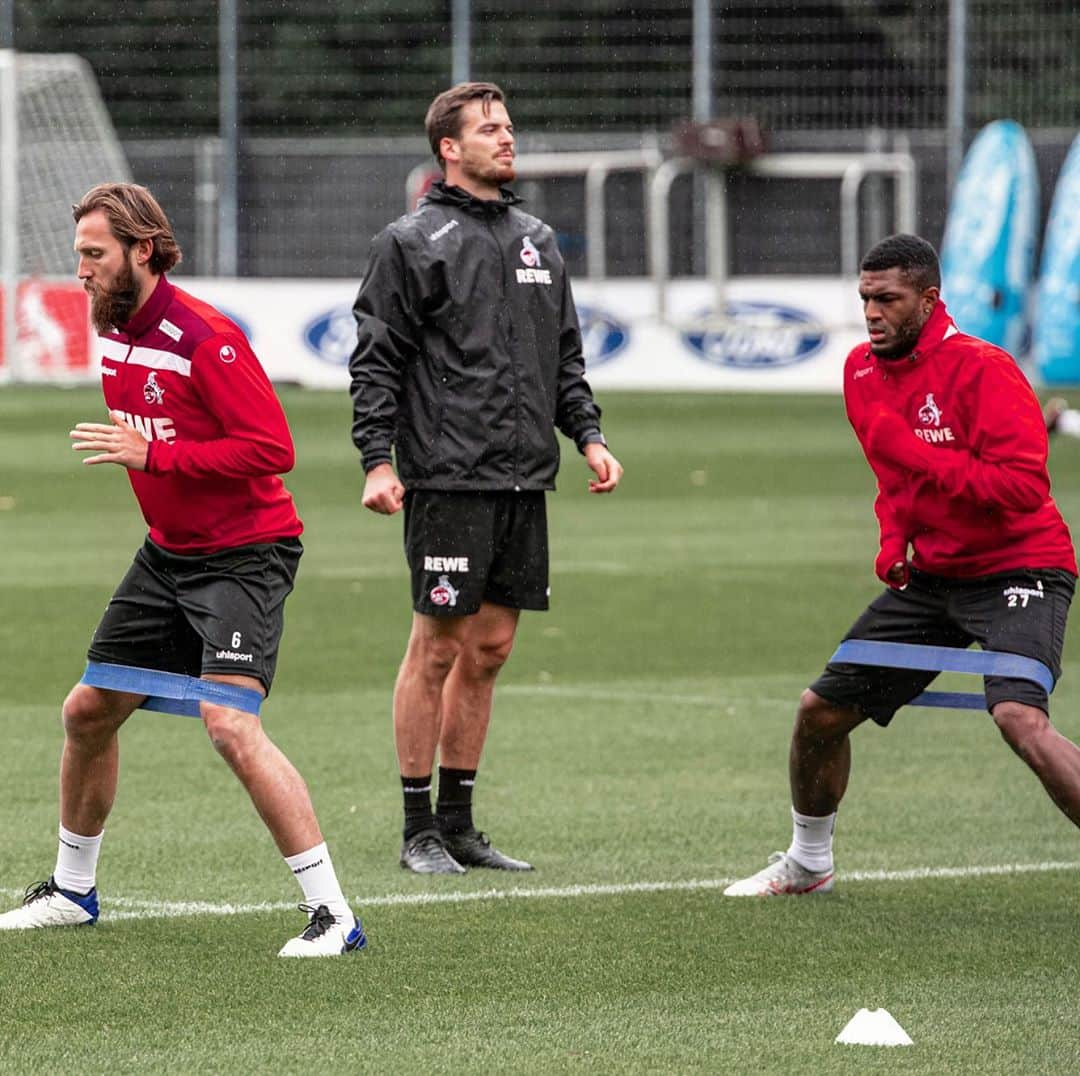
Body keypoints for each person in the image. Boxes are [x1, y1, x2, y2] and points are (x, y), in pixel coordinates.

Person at [0, 183, 365, 956]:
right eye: (79, 256)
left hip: (245, 555)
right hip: (168, 554)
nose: (83, 271)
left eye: (94, 255)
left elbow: (273, 450)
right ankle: (72, 891)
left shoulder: (207, 337)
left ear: (142, 249)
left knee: (230, 722)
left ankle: (334, 915)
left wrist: (154, 454)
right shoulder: (118, 331)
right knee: (87, 712)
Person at [725, 233, 1080, 897]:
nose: (872, 313)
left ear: (929, 299)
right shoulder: (860, 371)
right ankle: (808, 863)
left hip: (1021, 567)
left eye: (888, 298)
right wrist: (893, 539)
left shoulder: (985, 369)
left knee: (1018, 718)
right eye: (865, 298)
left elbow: (1023, 489)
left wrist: (916, 453)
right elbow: (892, 480)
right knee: (819, 713)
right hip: (936, 577)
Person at [350, 82, 623, 875]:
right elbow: (376, 362)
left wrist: (589, 435)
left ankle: (461, 823)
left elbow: (563, 353)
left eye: (509, 127)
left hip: (522, 478)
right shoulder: (411, 240)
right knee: (436, 649)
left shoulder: (537, 237)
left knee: (494, 647)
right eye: (490, 130)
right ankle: (417, 829)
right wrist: (377, 460)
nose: (508, 139)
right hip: (446, 475)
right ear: (449, 147)